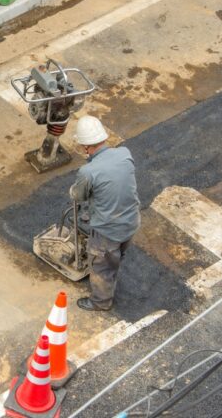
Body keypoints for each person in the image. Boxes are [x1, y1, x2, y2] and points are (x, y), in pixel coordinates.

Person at [69, 116, 140, 311]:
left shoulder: (88, 171)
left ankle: (101, 302)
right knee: (116, 255)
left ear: (85, 146)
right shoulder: (124, 154)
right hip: (131, 221)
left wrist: (74, 190)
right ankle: (113, 263)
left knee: (101, 267)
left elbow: (79, 195)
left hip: (108, 231)